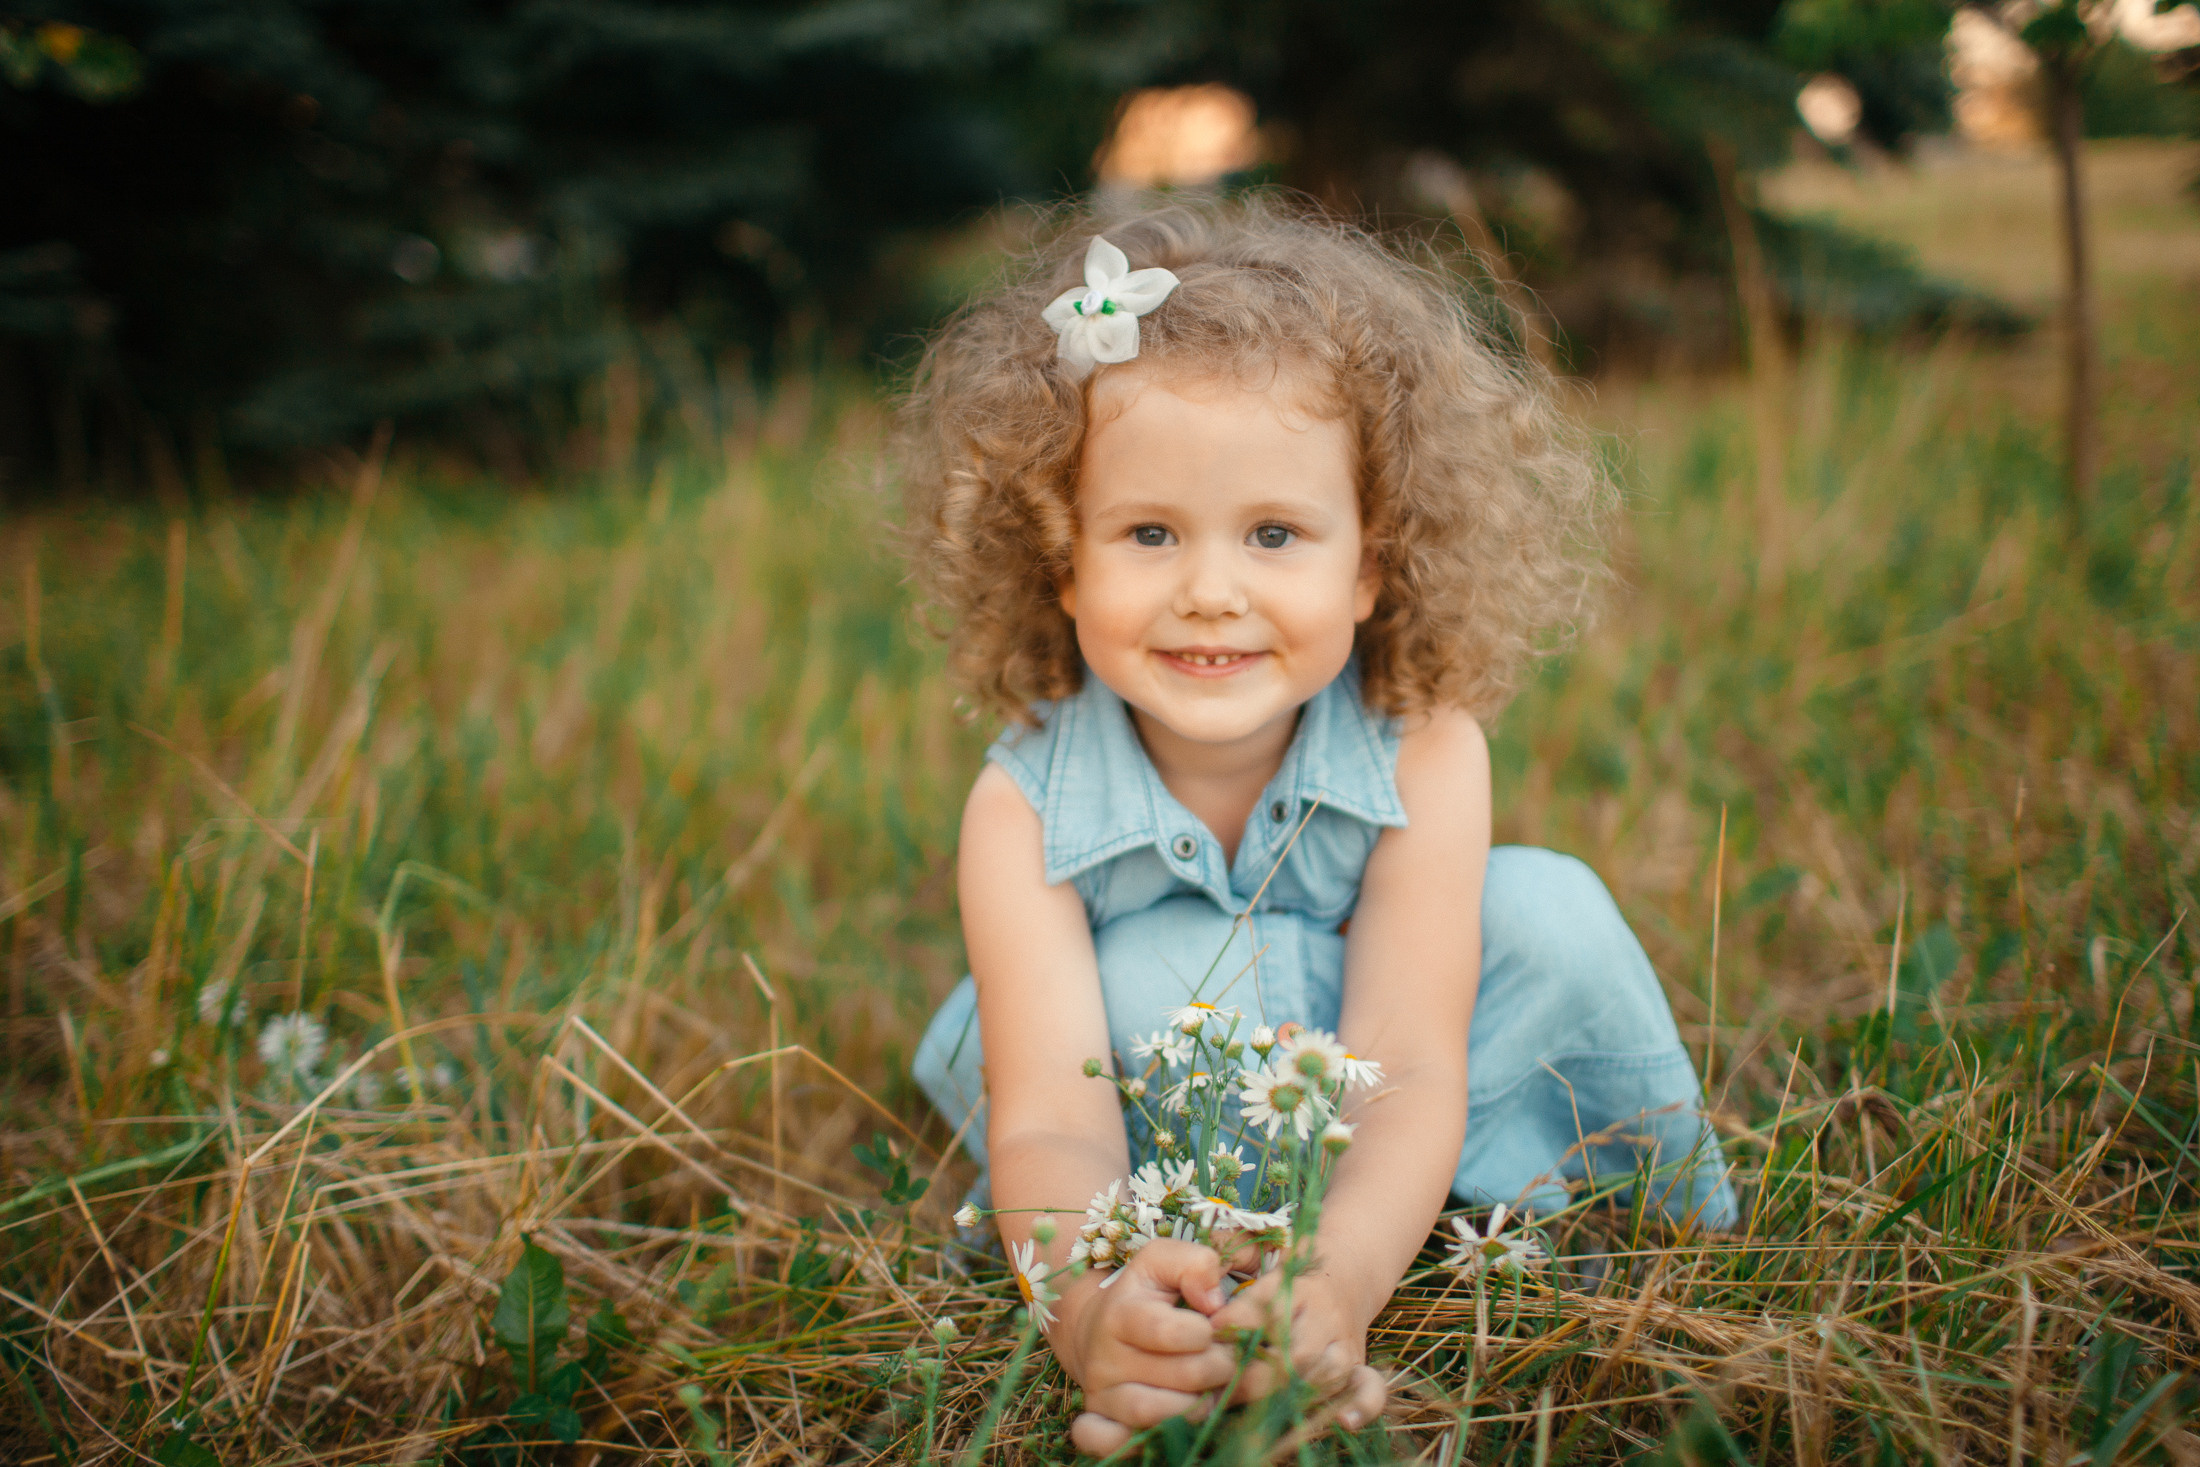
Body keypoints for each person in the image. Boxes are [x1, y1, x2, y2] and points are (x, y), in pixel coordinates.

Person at [898, 198, 1735, 1454]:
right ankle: (1193, 1290)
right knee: (1140, 982)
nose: (1211, 591)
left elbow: (1404, 1063)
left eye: (1275, 534)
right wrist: (1086, 1312)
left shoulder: (1427, 745)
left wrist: (1341, 1284)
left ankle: (1546, 1220)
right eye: (1148, 534)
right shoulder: (1019, 807)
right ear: (1062, 562)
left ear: (1368, 563)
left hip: (1394, 1095)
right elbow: (1051, 1122)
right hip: (1155, 1126)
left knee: (1547, 909)